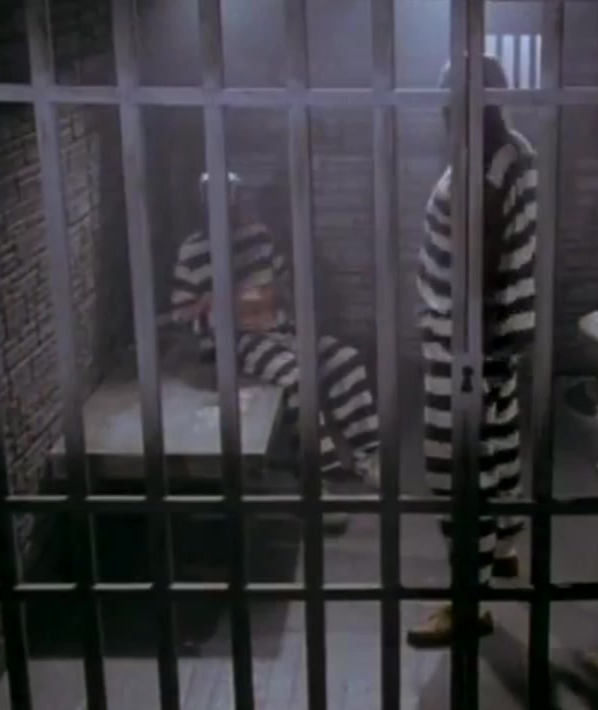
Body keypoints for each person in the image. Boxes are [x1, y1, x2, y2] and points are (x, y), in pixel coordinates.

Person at [406, 56, 538, 648]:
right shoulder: (512, 151)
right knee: (499, 446)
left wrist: (468, 354)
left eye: (447, 97)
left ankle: (469, 602)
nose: (440, 108)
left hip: (466, 343)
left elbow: (478, 268)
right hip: (497, 338)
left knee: (457, 471)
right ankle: (502, 549)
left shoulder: (484, 169)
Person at [168, 172, 380, 531]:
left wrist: (279, 295)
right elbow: (180, 314)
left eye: (234, 201)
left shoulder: (258, 236)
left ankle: (368, 457)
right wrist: (217, 305)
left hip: (282, 330)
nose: (231, 210)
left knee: (346, 361)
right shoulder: (192, 251)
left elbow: (285, 284)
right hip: (235, 342)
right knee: (296, 378)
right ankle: (317, 479)